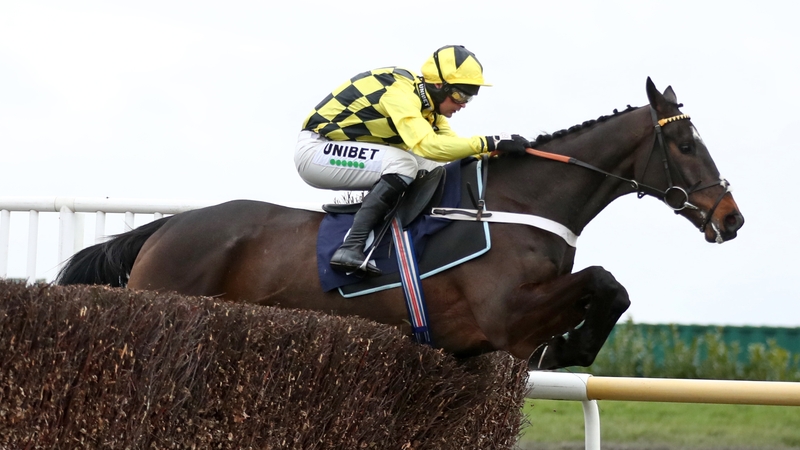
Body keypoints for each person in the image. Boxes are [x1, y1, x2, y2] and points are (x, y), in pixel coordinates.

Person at [294, 45, 530, 277]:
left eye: (470, 96)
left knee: (436, 168)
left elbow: (453, 151)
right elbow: (429, 146)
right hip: (317, 151)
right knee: (403, 164)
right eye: (460, 94)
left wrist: (498, 151)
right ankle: (350, 247)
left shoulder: (429, 109)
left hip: (342, 151)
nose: (463, 104)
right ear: (439, 85)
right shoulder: (400, 92)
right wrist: (490, 141)